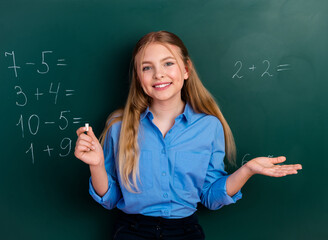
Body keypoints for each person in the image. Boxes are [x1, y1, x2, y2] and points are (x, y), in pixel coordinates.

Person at [74, 31, 302, 240]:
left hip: (185, 232)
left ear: (185, 69)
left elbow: (211, 198)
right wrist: (96, 166)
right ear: (138, 77)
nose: (158, 74)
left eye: (168, 63)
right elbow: (110, 198)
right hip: (131, 232)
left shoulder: (209, 127)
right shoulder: (119, 127)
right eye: (147, 67)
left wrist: (247, 170)